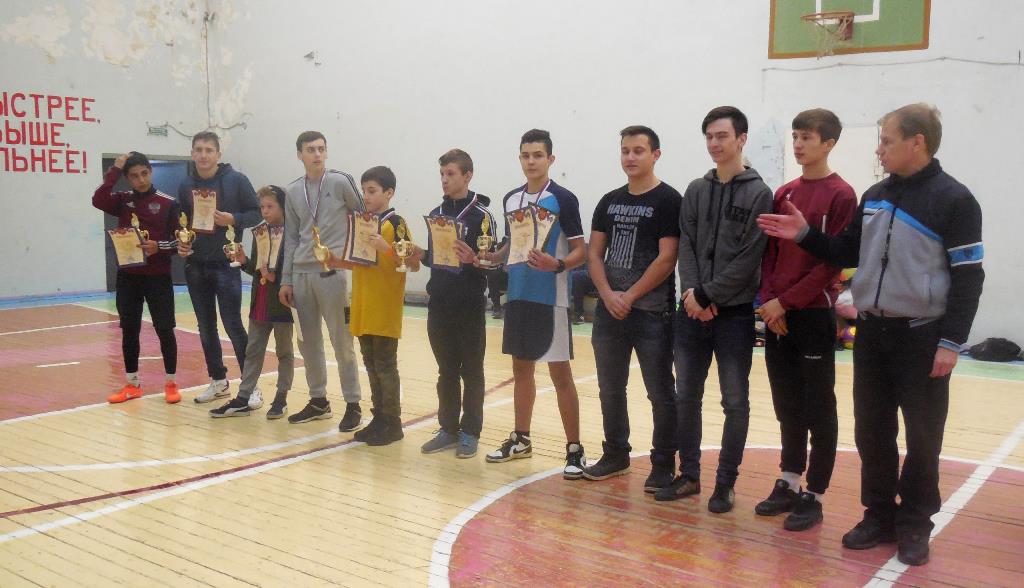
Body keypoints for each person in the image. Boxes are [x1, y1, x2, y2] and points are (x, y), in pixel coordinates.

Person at [758, 103, 984, 566]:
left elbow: (969, 276)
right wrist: (804, 235)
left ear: (917, 142)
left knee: (923, 436)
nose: (879, 150)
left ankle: (915, 523)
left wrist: (950, 342)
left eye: (886, 141)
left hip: (922, 336)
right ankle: (878, 515)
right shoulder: (876, 195)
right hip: (873, 335)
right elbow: (845, 251)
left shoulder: (955, 200)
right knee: (872, 432)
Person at [655, 106, 773, 513]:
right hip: (692, 312)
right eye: (709, 136)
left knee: (734, 402)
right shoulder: (695, 190)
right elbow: (686, 245)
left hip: (733, 317)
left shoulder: (760, 194)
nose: (714, 143)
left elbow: (749, 258)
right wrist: (693, 294)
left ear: (741, 138)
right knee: (686, 397)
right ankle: (689, 475)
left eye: (722, 136)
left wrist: (709, 295)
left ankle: (725, 483)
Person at [753, 109, 857, 531]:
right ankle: (790, 480)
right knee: (787, 404)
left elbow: (832, 263)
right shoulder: (785, 192)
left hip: (812, 315)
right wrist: (769, 301)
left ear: (829, 143)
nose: (797, 144)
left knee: (818, 407)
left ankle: (815, 494)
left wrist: (788, 302)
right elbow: (770, 254)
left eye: (807, 137)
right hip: (777, 315)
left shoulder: (842, 195)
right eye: (795, 136)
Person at [480, 129, 588, 479]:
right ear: (520, 158)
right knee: (521, 370)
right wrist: (489, 257)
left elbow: (581, 250)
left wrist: (558, 264)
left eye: (538, 155)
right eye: (526, 155)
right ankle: (521, 439)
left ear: (550, 159)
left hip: (551, 298)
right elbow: (511, 246)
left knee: (560, 375)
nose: (531, 161)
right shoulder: (511, 199)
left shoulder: (563, 198)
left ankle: (575, 449)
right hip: (519, 295)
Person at [581, 126, 681, 494]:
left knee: (660, 392)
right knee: (610, 388)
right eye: (625, 150)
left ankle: (663, 464)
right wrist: (608, 295)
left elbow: (667, 257)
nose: (630, 157)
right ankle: (615, 454)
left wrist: (630, 296)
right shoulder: (608, 201)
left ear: (656, 154)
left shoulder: (669, 200)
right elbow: (594, 253)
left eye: (639, 150)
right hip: (610, 312)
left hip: (652, 313)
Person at [325, 166, 420, 445]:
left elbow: (412, 264)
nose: (366, 196)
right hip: (363, 303)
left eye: (372, 191)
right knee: (370, 364)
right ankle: (379, 418)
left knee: (386, 366)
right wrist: (336, 261)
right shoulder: (364, 224)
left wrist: (386, 248)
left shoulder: (396, 223)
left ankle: (393, 422)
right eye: (364, 191)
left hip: (385, 305)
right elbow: (360, 262)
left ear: (389, 193)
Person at [414, 149, 496, 459]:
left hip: (469, 305)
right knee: (445, 370)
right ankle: (447, 429)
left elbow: (492, 265)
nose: (445, 180)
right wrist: (420, 254)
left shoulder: (482, 216)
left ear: (467, 176)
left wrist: (474, 259)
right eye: (442, 174)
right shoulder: (436, 213)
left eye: (451, 174)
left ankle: (470, 432)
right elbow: (435, 259)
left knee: (472, 371)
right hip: (440, 303)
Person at [279, 131, 364, 429]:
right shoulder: (292, 190)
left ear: (326, 152)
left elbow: (363, 219)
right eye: (310, 149)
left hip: (333, 273)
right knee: (308, 342)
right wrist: (286, 280)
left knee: (342, 341)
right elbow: (291, 237)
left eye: (321, 149)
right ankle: (318, 401)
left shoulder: (341, 181)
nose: (317, 154)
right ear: (299, 155)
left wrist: (354, 262)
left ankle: (353, 403)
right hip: (301, 274)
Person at [176, 131, 261, 403]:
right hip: (195, 265)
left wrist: (233, 218)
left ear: (218, 154)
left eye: (209, 150)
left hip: (226, 264)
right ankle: (218, 381)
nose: (203, 155)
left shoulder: (236, 180)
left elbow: (257, 213)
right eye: (199, 150)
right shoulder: (185, 184)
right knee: (205, 327)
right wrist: (182, 244)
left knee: (233, 324)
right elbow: (181, 222)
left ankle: (250, 387)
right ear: (192, 153)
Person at [93, 151, 180, 404]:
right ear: (127, 178)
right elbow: (98, 199)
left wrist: (158, 246)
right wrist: (115, 169)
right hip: (128, 277)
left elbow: (181, 242)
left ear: (150, 171)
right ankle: (132, 384)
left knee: (165, 329)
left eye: (144, 174)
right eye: (134, 176)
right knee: (129, 330)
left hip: (158, 277)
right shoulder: (122, 200)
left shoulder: (168, 203)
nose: (140, 180)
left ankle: (171, 383)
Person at [209, 185, 294, 419]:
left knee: (284, 352)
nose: (264, 211)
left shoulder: (293, 234)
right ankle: (243, 398)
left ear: (283, 206)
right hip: (260, 301)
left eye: (270, 206)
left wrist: (277, 278)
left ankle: (281, 398)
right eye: (262, 207)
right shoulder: (260, 232)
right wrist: (244, 260)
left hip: (283, 303)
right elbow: (257, 269)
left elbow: (295, 269)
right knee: (253, 351)